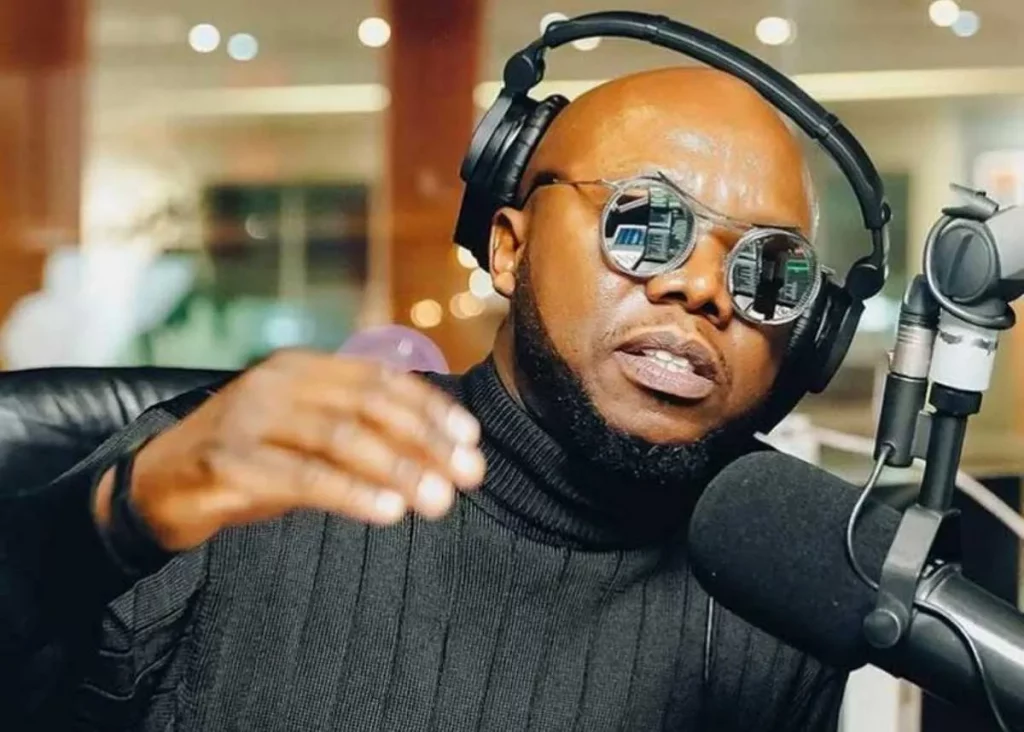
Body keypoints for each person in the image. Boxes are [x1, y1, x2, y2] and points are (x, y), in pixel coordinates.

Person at [2, 67, 847, 731]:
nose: (705, 289)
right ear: (509, 250)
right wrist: (106, 522)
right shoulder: (243, 477)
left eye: (769, 270)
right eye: (646, 223)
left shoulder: (785, 596)